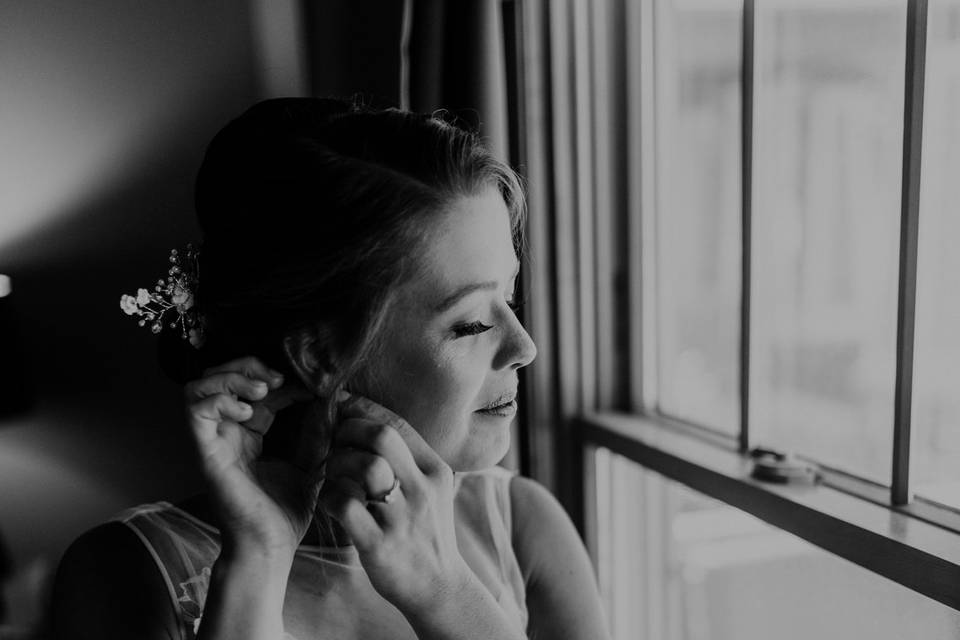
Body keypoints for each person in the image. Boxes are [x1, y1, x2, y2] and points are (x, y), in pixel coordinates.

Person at [50, 98, 610, 640]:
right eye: (469, 324)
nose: (525, 346)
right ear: (320, 358)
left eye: (508, 299)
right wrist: (258, 560)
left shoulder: (524, 527)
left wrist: (446, 592)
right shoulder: (126, 573)